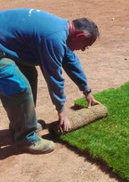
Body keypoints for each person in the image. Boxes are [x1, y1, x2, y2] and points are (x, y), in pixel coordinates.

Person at [0, 8, 100, 154]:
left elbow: (71, 61)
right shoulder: (54, 38)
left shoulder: (62, 31)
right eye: (86, 44)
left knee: (29, 73)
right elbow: (53, 77)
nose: (84, 49)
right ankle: (25, 139)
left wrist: (87, 91)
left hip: (5, 45)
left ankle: (22, 125)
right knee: (19, 86)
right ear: (79, 35)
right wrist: (61, 112)